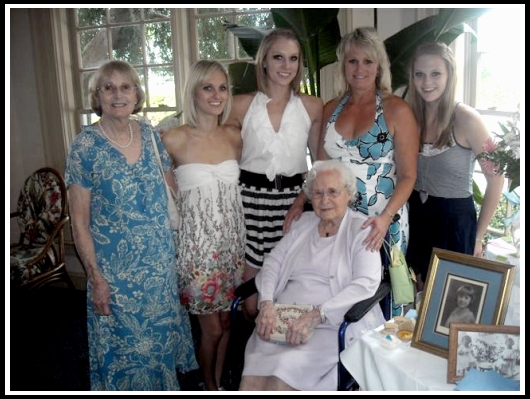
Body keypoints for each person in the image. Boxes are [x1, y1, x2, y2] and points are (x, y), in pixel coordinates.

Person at [65, 60, 198, 391]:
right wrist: (95, 278)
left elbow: (173, 195)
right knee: (126, 354)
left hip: (159, 269)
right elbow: (79, 223)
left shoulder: (151, 134)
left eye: (126, 87)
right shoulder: (85, 146)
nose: (118, 95)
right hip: (116, 275)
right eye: (108, 88)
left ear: (137, 94)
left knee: (159, 348)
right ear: (97, 96)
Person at [239, 159, 385, 391]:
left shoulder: (362, 230)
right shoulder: (303, 224)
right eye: (317, 193)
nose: (324, 200)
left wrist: (318, 314)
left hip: (329, 326)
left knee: (283, 372)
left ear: (349, 194)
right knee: (254, 376)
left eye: (332, 192)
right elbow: (273, 262)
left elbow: (365, 283)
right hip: (282, 319)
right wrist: (266, 303)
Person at [285, 27, 418, 258]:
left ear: (379, 66)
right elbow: (320, 169)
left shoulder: (397, 110)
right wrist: (300, 202)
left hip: (381, 222)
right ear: (343, 66)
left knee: (383, 291)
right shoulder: (331, 109)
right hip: (338, 220)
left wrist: (385, 218)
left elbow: (408, 176)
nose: (359, 69)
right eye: (352, 61)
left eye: (368, 61)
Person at [226, 28, 323, 317]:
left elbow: (319, 164)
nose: (286, 66)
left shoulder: (312, 106)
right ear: (264, 60)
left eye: (293, 59)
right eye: (278, 57)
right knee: (252, 302)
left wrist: (304, 200)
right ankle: (253, 356)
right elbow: (225, 161)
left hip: (292, 204)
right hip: (250, 204)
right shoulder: (240, 105)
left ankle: (280, 354)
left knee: (286, 290)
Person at [161, 60, 246, 391]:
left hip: (233, 246)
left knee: (226, 323)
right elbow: (162, 195)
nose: (216, 95)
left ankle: (220, 383)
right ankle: (208, 385)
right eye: (207, 87)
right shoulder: (172, 139)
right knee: (211, 330)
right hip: (197, 251)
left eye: (222, 88)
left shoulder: (234, 137)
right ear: (193, 92)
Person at [405, 42, 504, 290]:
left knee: (448, 303)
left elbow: (497, 178)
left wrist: (478, 236)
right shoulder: (410, 116)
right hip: (416, 215)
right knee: (418, 298)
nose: (427, 82)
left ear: (450, 74)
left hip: (454, 222)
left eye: (436, 73)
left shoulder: (467, 118)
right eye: (420, 74)